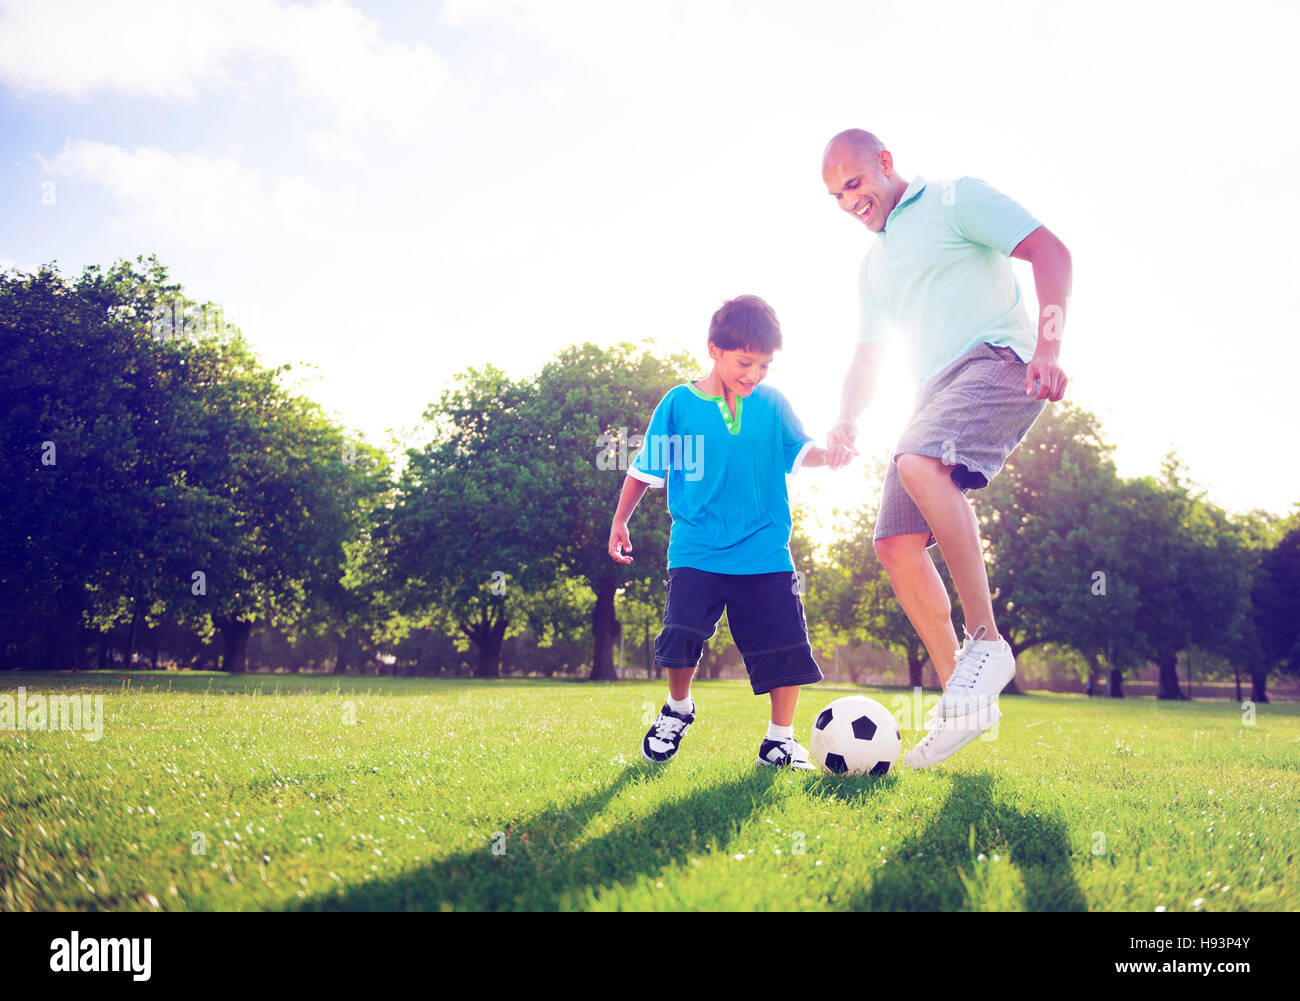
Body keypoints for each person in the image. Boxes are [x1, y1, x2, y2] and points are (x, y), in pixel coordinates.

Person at [821, 129, 1072, 768]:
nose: (850, 201)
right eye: (836, 195)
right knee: (894, 545)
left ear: (884, 163)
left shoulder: (956, 198)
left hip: (998, 360)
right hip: (930, 391)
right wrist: (847, 418)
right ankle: (964, 701)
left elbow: (1050, 250)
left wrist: (1048, 347)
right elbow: (868, 356)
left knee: (917, 461)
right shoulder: (873, 267)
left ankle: (985, 641)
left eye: (854, 183)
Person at [607, 294, 851, 769]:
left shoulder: (772, 403)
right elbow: (645, 469)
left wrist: (832, 455)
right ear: (714, 349)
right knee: (680, 636)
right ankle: (678, 709)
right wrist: (621, 520)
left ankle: (779, 741)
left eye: (764, 366)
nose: (753, 375)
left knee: (786, 645)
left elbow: (801, 452)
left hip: (764, 551)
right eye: (745, 362)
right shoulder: (678, 405)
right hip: (696, 548)